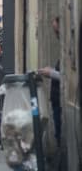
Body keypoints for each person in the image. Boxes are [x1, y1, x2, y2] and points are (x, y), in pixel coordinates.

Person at [37, 17, 62, 146]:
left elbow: (67, 77)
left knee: (60, 134)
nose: (56, 35)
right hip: (57, 99)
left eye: (57, 31)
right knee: (58, 133)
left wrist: (51, 73)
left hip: (60, 100)